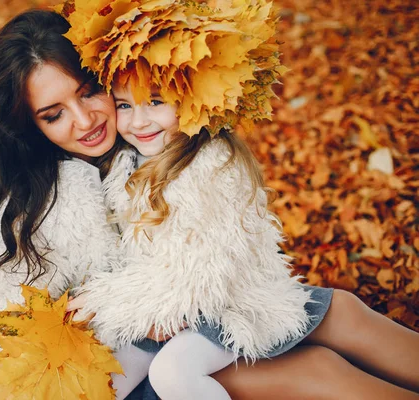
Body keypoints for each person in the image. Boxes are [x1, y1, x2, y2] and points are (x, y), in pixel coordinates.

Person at [0, 8, 417, 400]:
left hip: (197, 310)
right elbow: (11, 329)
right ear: (30, 126)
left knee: (336, 314)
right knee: (308, 370)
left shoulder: (144, 134)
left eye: (89, 91)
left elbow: (206, 231)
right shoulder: (36, 207)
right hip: (125, 368)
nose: (85, 119)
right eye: (53, 114)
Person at [60, 1, 419, 399]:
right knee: (105, 381)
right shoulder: (129, 161)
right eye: (124, 105)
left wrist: (114, 303)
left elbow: (203, 268)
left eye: (156, 102)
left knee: (173, 372)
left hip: (221, 305)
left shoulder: (209, 164)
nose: (138, 121)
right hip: (164, 306)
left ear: (192, 100)